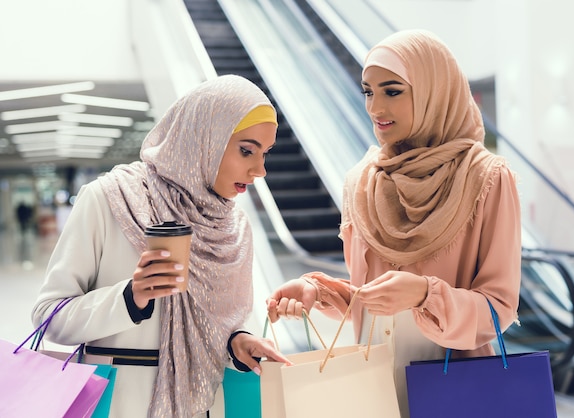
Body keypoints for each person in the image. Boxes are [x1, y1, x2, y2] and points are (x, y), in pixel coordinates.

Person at [266, 29, 522, 417]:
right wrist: (317, 293)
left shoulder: (486, 178)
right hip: (373, 390)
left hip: (455, 391)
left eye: (392, 91)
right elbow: (368, 301)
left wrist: (425, 295)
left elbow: (499, 308)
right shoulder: (362, 182)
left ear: (435, 90)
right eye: (368, 91)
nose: (375, 108)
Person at [32, 74, 291, 418]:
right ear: (204, 139)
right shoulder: (111, 200)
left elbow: (228, 322)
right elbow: (47, 317)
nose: (260, 170)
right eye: (246, 150)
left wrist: (237, 342)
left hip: (204, 404)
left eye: (266, 154)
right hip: (120, 404)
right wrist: (129, 298)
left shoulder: (234, 226)